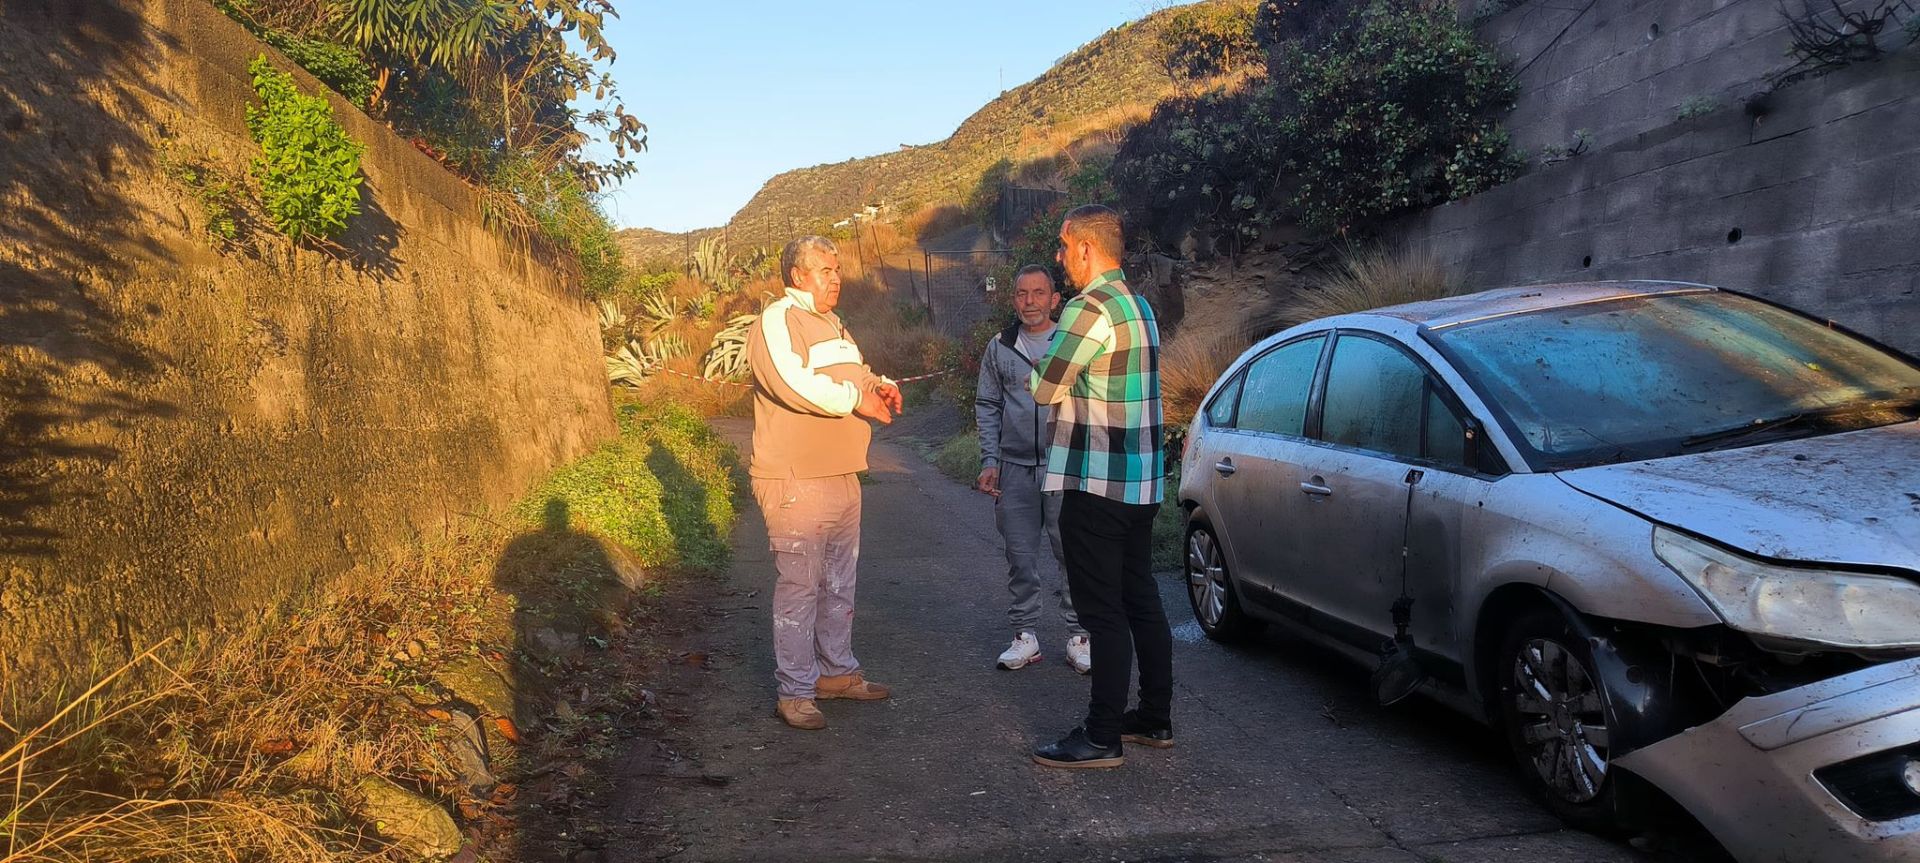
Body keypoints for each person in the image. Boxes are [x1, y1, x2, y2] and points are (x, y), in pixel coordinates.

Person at [1027, 204, 1171, 769]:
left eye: (1063, 249)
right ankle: (1155, 718)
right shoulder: (1139, 305)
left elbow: (1043, 388)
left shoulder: (1086, 310)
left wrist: (1037, 370)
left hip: (1096, 485)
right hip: (1142, 484)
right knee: (1141, 601)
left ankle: (1101, 735)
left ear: (1086, 248)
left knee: (1103, 613)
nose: (1060, 259)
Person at [746, 235, 904, 731]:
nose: (836, 278)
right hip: (796, 476)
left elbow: (854, 375)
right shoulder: (777, 319)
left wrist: (878, 387)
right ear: (798, 275)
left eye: (837, 270)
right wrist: (853, 400)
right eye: (825, 270)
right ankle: (794, 691)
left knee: (839, 582)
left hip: (842, 473)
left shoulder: (833, 323)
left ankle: (835, 674)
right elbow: (791, 382)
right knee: (800, 587)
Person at [974, 265, 1090, 674]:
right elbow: (988, 405)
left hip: (1066, 468)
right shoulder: (1000, 346)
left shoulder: (1071, 343)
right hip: (1015, 468)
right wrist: (991, 461)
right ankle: (1025, 636)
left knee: (1072, 555)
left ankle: (1079, 636)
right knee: (1020, 557)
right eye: (1022, 294)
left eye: (1038, 294)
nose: (1030, 302)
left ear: (1054, 299)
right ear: (1014, 300)